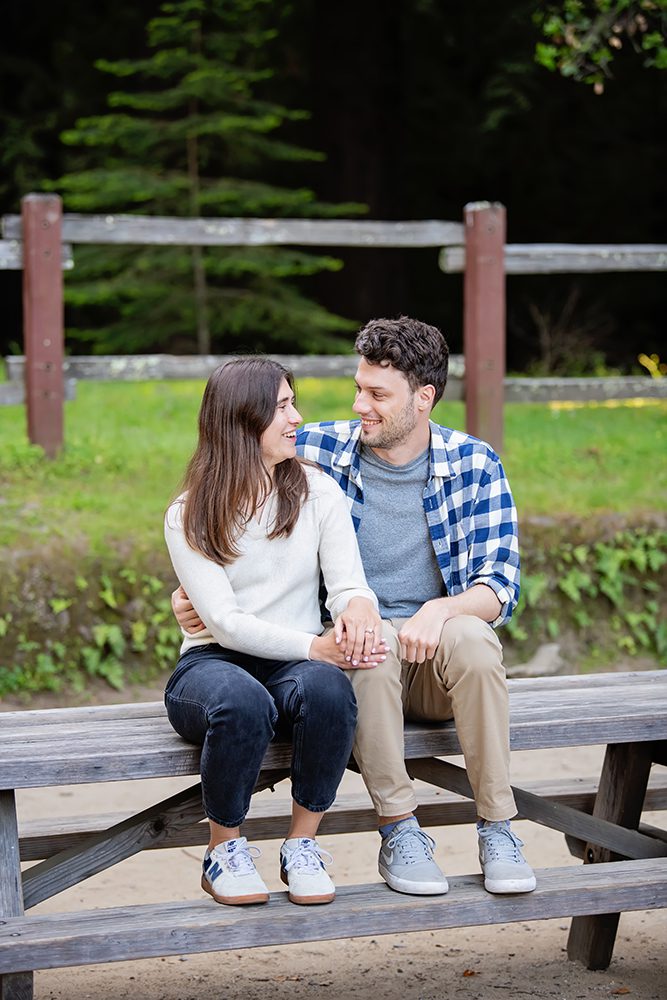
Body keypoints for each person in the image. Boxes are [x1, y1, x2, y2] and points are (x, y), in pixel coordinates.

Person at [173, 317, 536, 898]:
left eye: (376, 394)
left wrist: (439, 612)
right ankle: (400, 830)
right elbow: (239, 457)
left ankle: (497, 827)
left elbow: (501, 585)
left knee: (473, 637)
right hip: (362, 654)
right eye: (358, 388)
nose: (358, 404)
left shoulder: (475, 465)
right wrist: (192, 593)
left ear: (424, 399)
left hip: (438, 659)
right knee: (366, 646)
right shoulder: (317, 449)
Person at [164, 357, 387, 908]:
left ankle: (301, 845)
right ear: (244, 419)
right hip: (210, 666)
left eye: (293, 403)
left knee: (330, 689)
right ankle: (224, 851)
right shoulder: (188, 513)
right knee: (243, 701)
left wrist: (358, 610)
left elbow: (348, 583)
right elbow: (224, 622)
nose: (297, 418)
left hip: (291, 666)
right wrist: (316, 646)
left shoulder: (316, 491)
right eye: (283, 407)